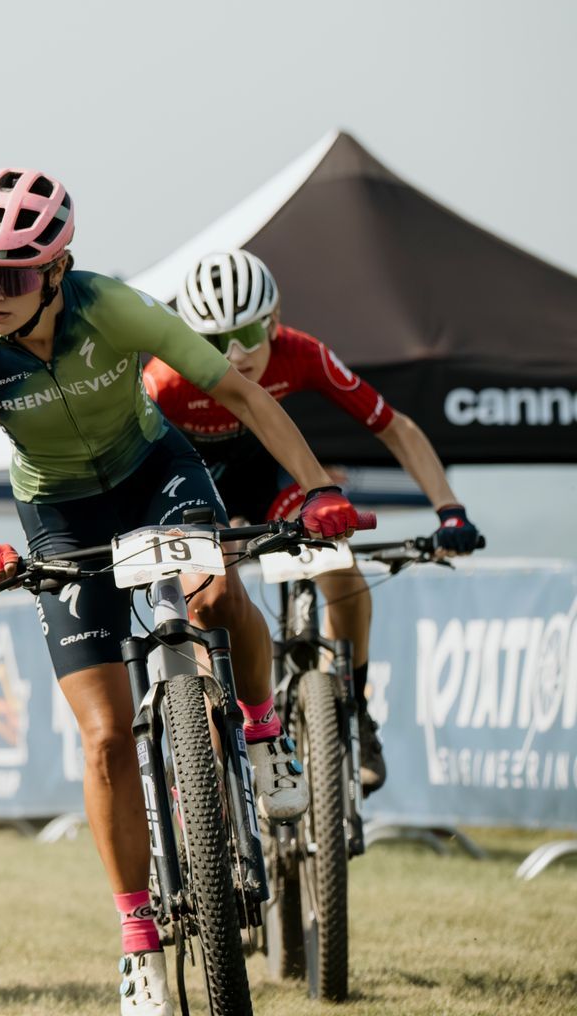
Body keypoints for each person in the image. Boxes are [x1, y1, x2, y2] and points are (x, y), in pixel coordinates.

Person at [0, 169, 362, 1014]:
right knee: (103, 739)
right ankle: (136, 937)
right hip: (57, 512)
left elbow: (237, 390)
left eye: (11, 275)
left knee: (213, 595)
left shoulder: (110, 308)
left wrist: (315, 489)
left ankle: (263, 730)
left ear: (57, 269)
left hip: (155, 473)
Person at [148, 248, 482, 793]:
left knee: (339, 565)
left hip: (270, 482)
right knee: (212, 600)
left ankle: (354, 707)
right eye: (214, 341)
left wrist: (451, 510)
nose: (235, 354)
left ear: (274, 321)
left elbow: (395, 427)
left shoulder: (301, 354)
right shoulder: (163, 379)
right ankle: (214, 767)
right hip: (200, 489)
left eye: (247, 334)